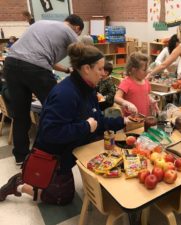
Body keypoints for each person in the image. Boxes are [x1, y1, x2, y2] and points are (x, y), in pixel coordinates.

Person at [0, 42, 126, 205]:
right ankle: (19, 184)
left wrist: (122, 121)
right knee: (62, 198)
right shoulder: (65, 93)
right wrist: (86, 127)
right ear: (87, 69)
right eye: (100, 69)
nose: (103, 73)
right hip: (53, 155)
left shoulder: (88, 88)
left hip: (71, 148)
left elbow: (97, 120)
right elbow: (50, 133)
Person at [3, 14, 84, 165]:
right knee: (57, 108)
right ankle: (51, 153)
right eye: (78, 34)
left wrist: (67, 70)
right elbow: (84, 56)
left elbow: (45, 59)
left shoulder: (41, 24)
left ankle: (21, 156)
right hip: (35, 69)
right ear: (77, 28)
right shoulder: (70, 32)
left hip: (11, 64)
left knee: (20, 116)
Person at [115, 52, 158, 116]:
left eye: (147, 69)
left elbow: (146, 95)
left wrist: (151, 100)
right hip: (131, 121)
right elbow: (116, 98)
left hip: (144, 117)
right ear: (134, 70)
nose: (147, 72)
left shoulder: (146, 81)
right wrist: (127, 103)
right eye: (144, 70)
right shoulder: (126, 82)